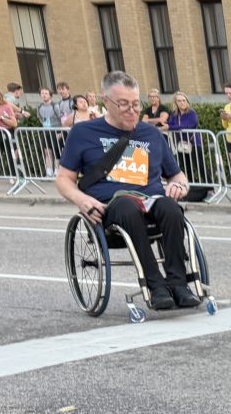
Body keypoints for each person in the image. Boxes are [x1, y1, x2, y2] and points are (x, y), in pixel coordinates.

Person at [54, 70, 199, 310]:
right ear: (105, 101)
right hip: (111, 207)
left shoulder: (152, 134)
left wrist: (180, 185)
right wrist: (81, 200)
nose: (132, 110)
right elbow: (63, 179)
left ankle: (179, 283)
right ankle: (155, 285)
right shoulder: (83, 133)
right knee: (127, 206)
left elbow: (176, 174)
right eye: (123, 104)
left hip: (151, 201)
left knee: (171, 207)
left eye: (135, 104)